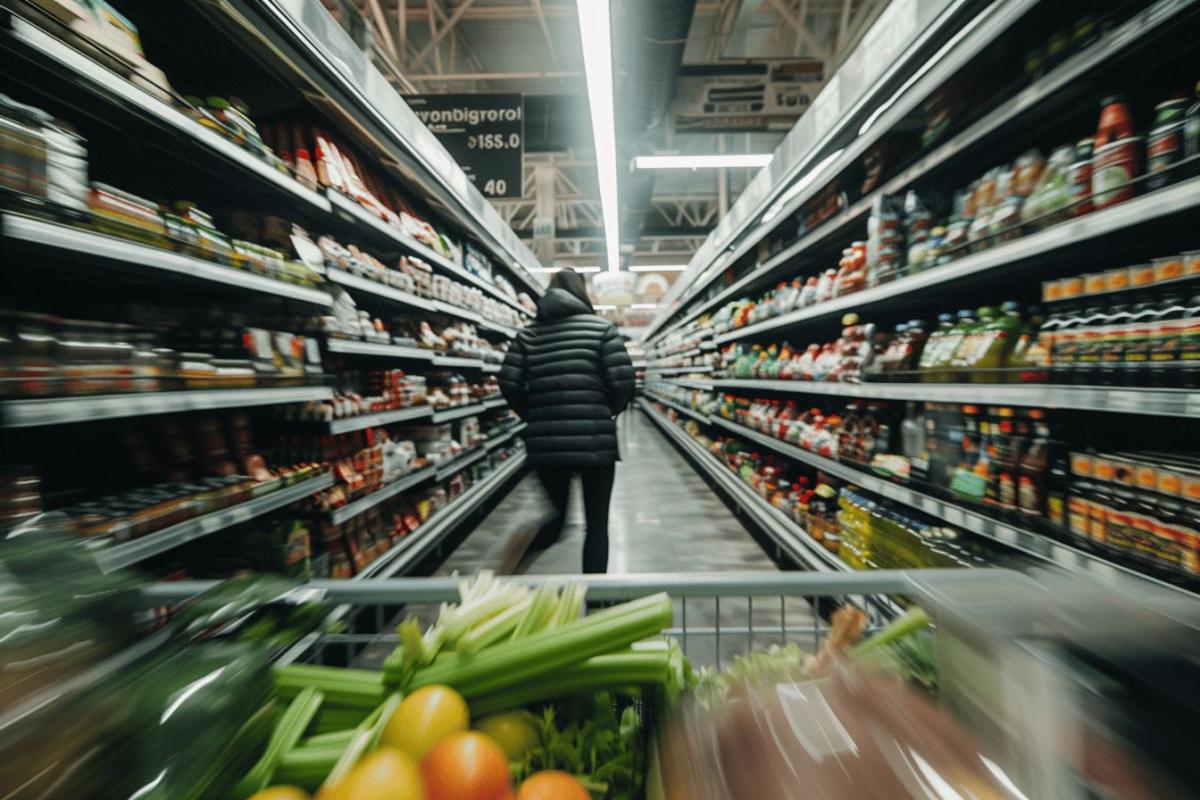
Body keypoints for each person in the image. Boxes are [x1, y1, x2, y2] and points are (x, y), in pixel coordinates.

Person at [497, 268, 635, 573]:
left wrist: (533, 414)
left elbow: (508, 383)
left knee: (557, 518)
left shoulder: (527, 335)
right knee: (596, 526)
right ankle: (596, 603)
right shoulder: (601, 330)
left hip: (545, 443)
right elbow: (624, 383)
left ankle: (508, 572)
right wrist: (604, 410)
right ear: (582, 292)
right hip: (595, 442)